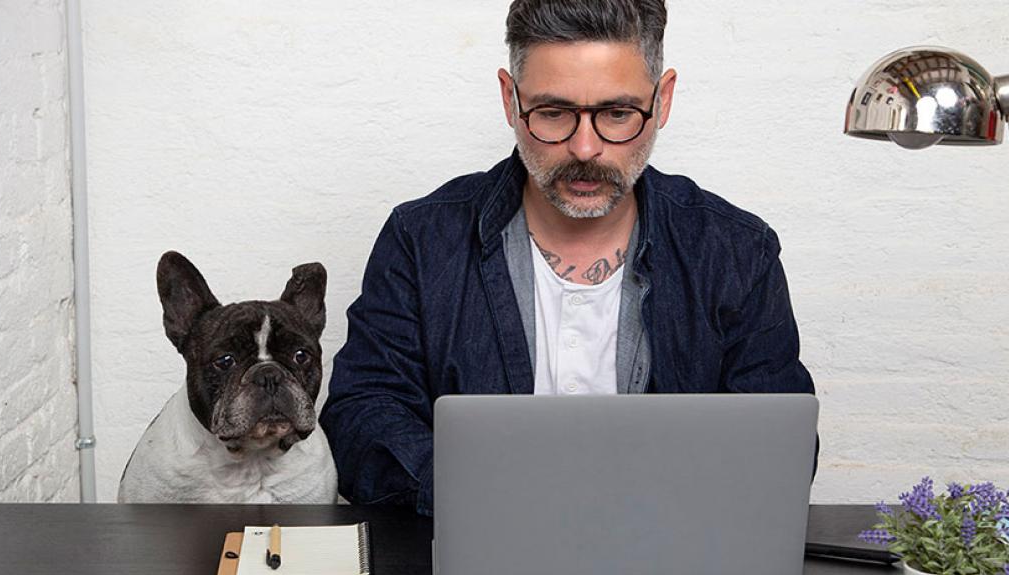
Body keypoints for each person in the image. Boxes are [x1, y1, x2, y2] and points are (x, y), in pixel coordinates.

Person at [320, 0, 815, 516]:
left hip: (674, 571)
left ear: (662, 100)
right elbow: (363, 418)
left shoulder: (737, 251)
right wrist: (483, 496)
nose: (584, 148)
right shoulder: (421, 240)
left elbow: (781, 449)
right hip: (481, 557)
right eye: (553, 113)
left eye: (617, 113)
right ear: (511, 101)